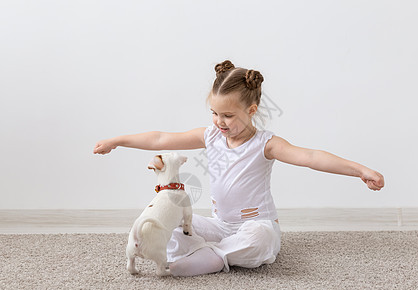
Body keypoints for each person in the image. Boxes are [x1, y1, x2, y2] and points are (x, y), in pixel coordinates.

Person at [93, 60, 385, 277]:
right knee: (170, 227)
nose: (220, 122)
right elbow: (160, 138)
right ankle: (208, 250)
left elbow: (309, 156)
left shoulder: (265, 144)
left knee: (260, 241)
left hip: (256, 224)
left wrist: (360, 170)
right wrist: (117, 141)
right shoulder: (210, 135)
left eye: (228, 115)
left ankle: (215, 255)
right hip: (220, 225)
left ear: (252, 111)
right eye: (215, 113)